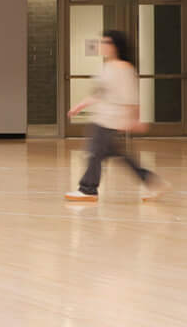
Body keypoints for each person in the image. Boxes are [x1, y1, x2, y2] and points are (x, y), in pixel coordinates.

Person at [67, 29, 168, 202]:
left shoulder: (124, 68)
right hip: (102, 117)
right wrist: (80, 106)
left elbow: (131, 97)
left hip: (111, 119)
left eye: (106, 42)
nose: (102, 45)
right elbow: (100, 93)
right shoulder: (107, 67)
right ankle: (152, 181)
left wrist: (135, 119)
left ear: (116, 46)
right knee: (117, 155)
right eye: (102, 42)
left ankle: (88, 189)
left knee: (94, 152)